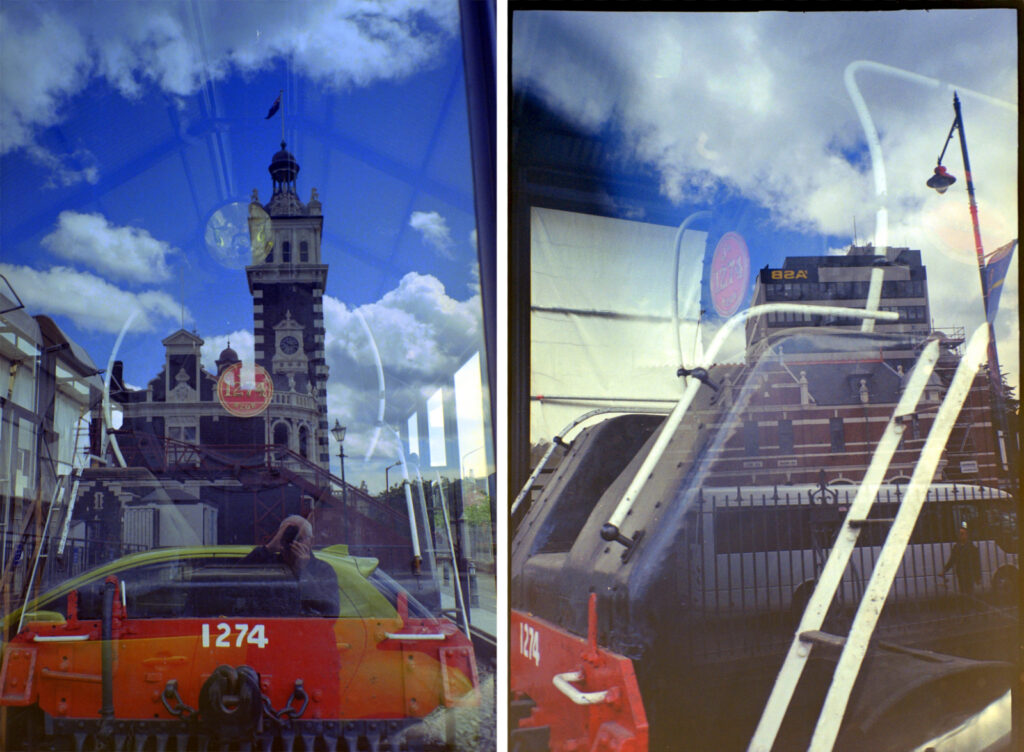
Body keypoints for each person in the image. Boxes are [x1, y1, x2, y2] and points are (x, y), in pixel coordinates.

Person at [242, 515, 339, 617]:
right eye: (289, 538)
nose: (294, 543)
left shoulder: (322, 569)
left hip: (306, 629)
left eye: (300, 539)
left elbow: (330, 611)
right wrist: (268, 548)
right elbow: (237, 579)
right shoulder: (268, 564)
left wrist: (303, 570)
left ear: (311, 542)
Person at [941, 522, 981, 606]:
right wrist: (945, 570)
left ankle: (970, 608)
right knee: (963, 592)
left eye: (962, 534)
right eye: (959, 534)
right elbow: (952, 560)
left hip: (969, 574)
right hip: (960, 574)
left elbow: (976, 563)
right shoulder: (956, 547)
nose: (960, 535)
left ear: (967, 535)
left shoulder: (971, 547)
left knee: (969, 592)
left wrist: (978, 577)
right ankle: (966, 609)